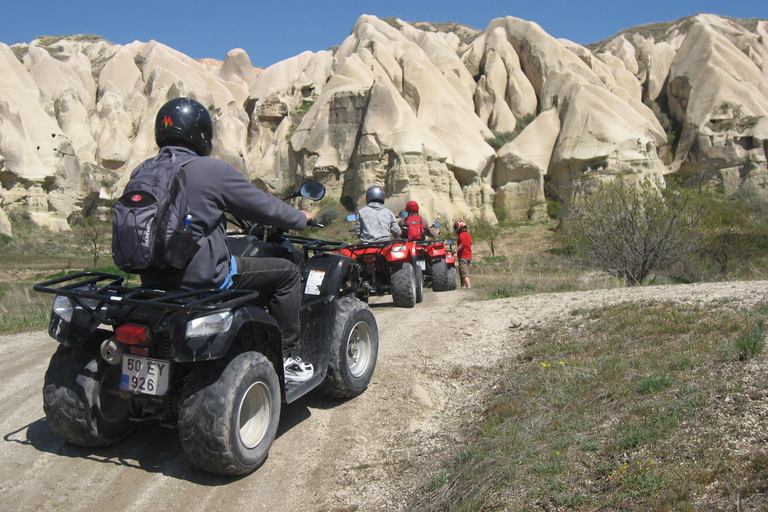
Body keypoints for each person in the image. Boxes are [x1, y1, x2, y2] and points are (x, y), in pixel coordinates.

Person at [137, 97, 314, 382]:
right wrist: (299, 218)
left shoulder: (142, 171)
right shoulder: (211, 170)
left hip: (151, 280)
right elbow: (263, 205)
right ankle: (288, 357)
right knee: (288, 273)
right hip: (204, 279)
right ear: (201, 134)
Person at [454, 219, 472, 289]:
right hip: (468, 255)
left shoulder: (462, 235)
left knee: (464, 272)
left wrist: (456, 250)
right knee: (462, 271)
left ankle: (468, 286)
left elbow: (463, 244)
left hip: (463, 256)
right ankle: (463, 286)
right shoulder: (468, 235)